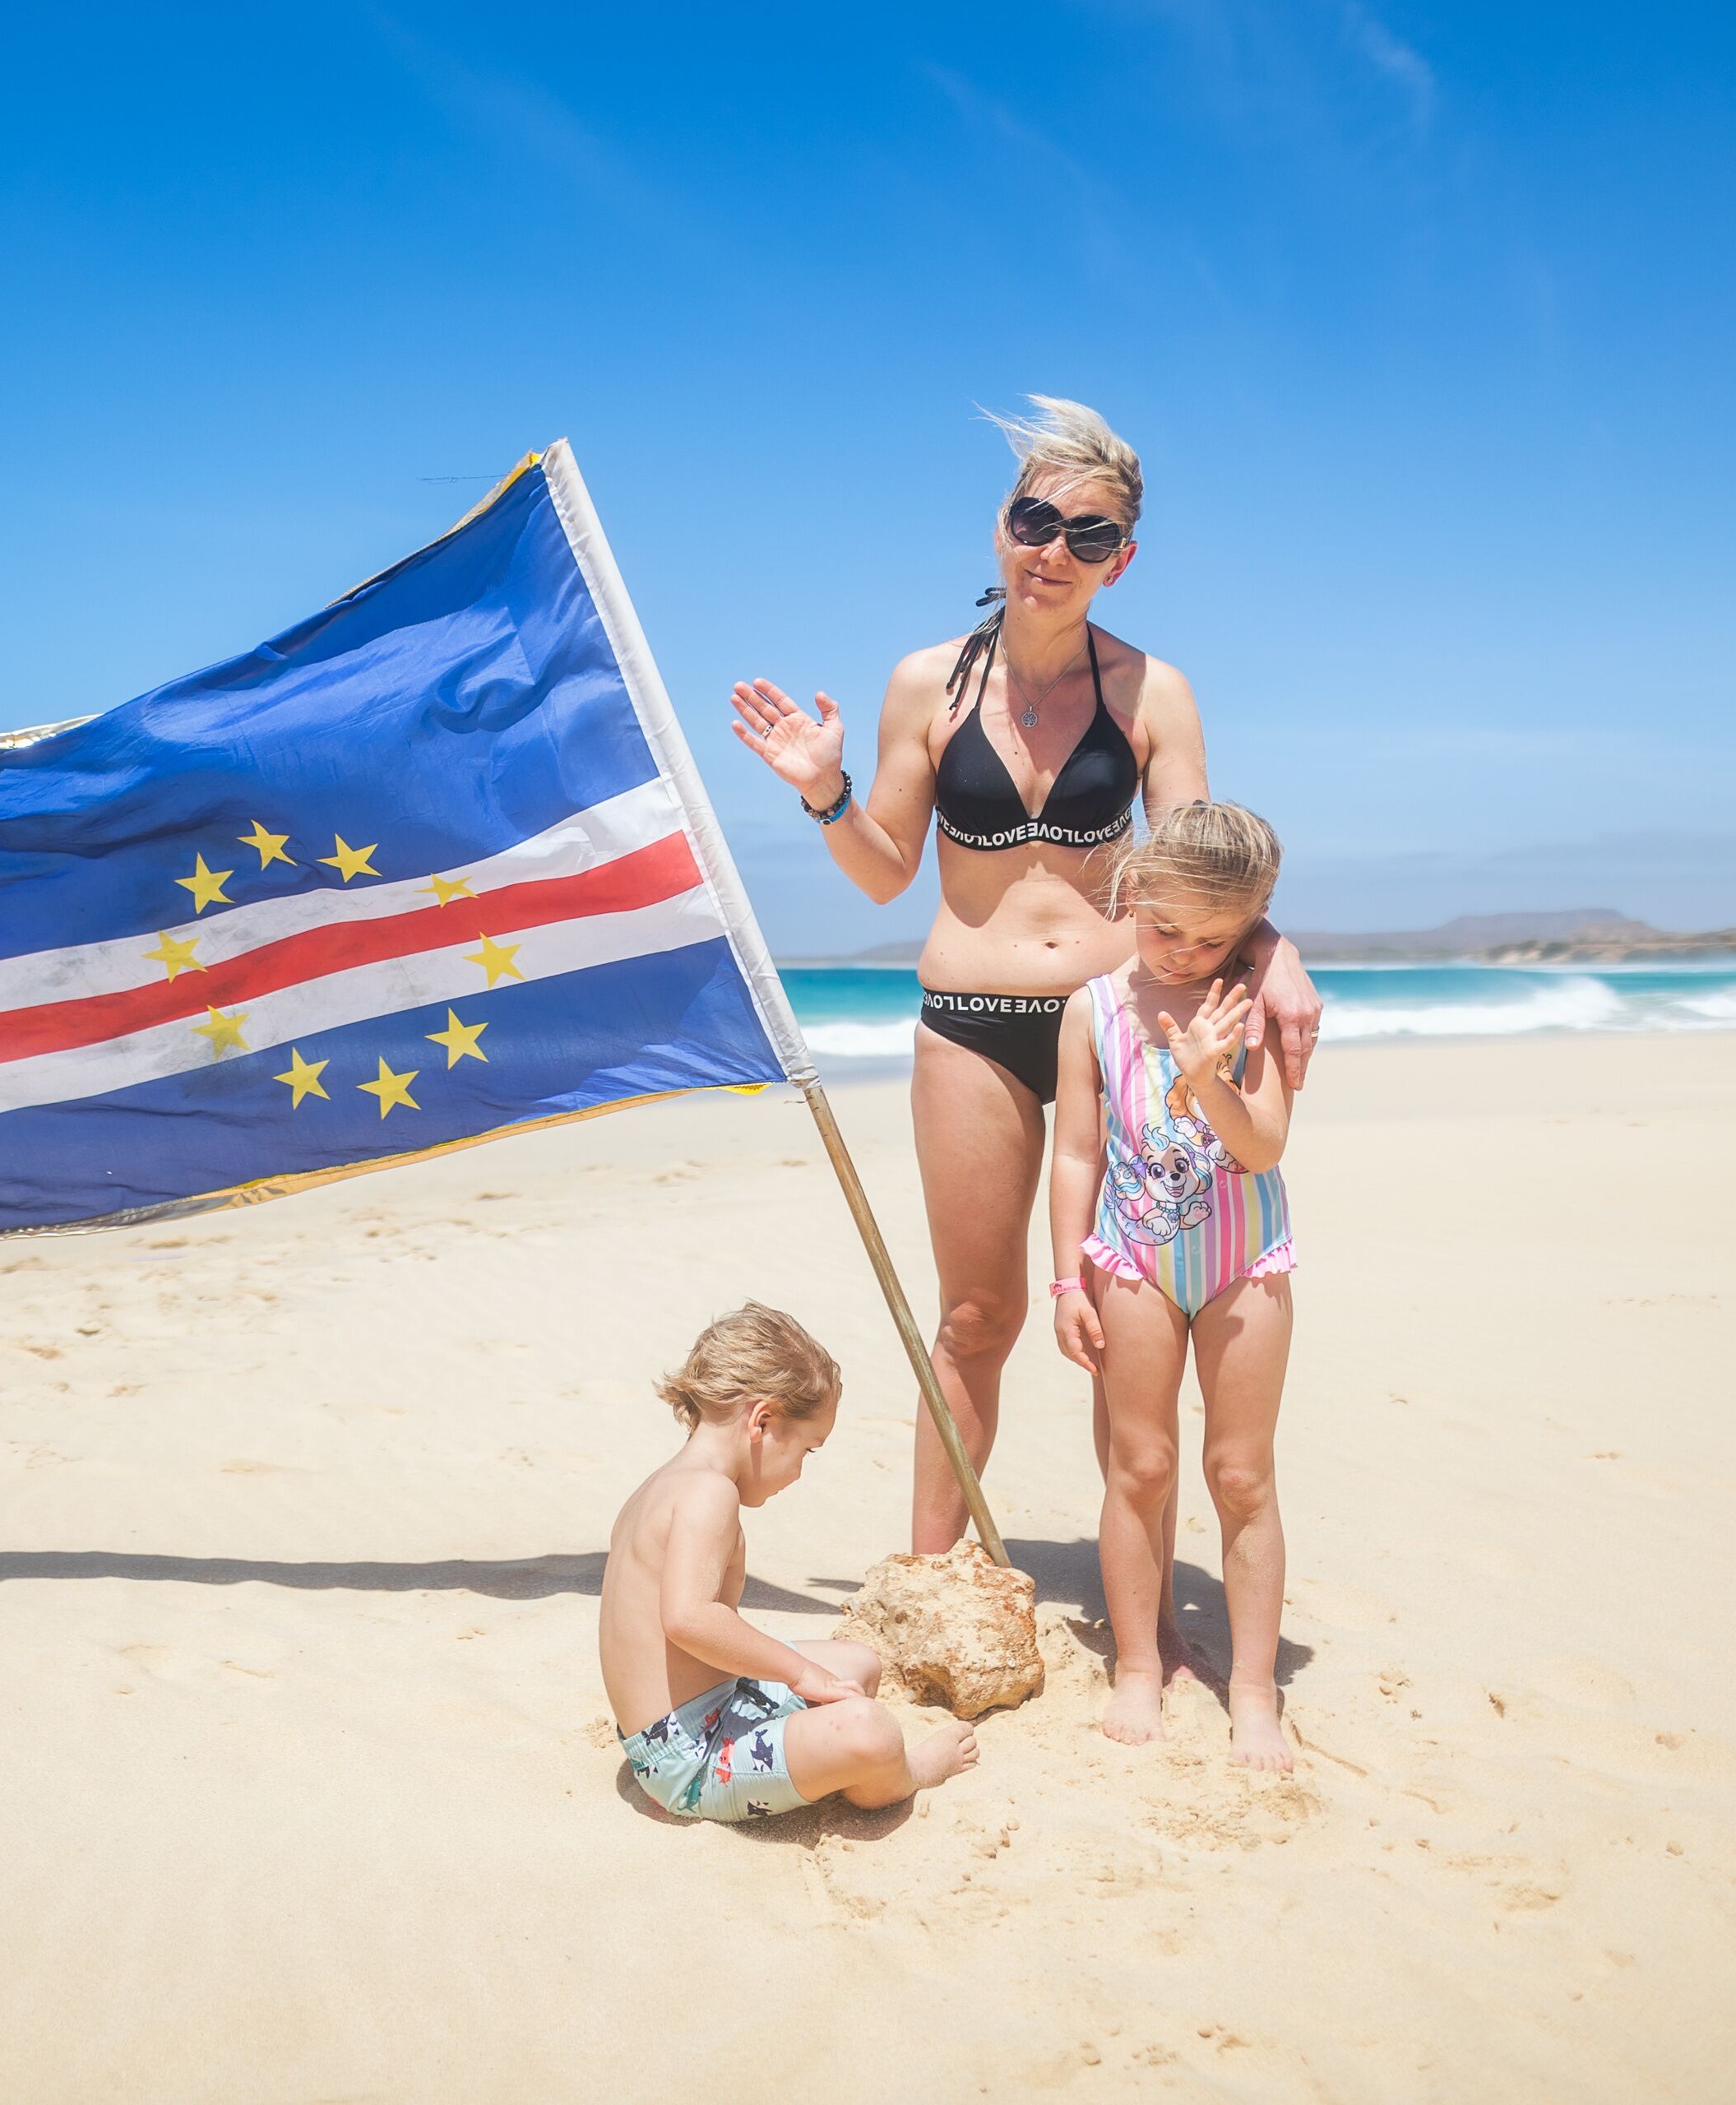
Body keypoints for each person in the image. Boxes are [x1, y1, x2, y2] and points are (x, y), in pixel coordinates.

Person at [726, 397, 1322, 1558]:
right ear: (1002, 527)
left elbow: (1204, 873)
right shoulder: (927, 684)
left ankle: (1132, 1593)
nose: (1054, 551)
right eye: (1035, 520)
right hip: (971, 1023)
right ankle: (931, 1573)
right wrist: (823, 790)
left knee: (1129, 1311)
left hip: (1122, 1026)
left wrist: (1277, 946)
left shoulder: (1154, 693)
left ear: (1122, 559)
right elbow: (885, 874)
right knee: (978, 1314)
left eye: (1087, 535)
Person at [1049, 803, 1300, 1769]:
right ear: (1132, 896)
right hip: (1131, 1264)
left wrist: (1210, 1077)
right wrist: (1066, 1276)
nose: (1188, 954)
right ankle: (1140, 1666)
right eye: (1167, 930)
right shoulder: (1095, 1008)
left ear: (1253, 925)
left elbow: (1264, 1145)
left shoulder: (1258, 1006)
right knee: (1140, 1467)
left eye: (1215, 938)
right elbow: (1076, 1151)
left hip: (1247, 1266)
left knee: (1241, 1475)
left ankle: (1250, 1688)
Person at [600, 1303, 980, 1820]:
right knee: (873, 1731)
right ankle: (902, 1774)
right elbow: (689, 1618)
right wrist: (801, 1674)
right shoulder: (709, 1494)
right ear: (764, 1420)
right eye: (807, 1449)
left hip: (688, 1721)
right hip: (690, 1760)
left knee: (857, 1663)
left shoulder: (662, 1485)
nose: (799, 1471)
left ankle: (823, 1762)